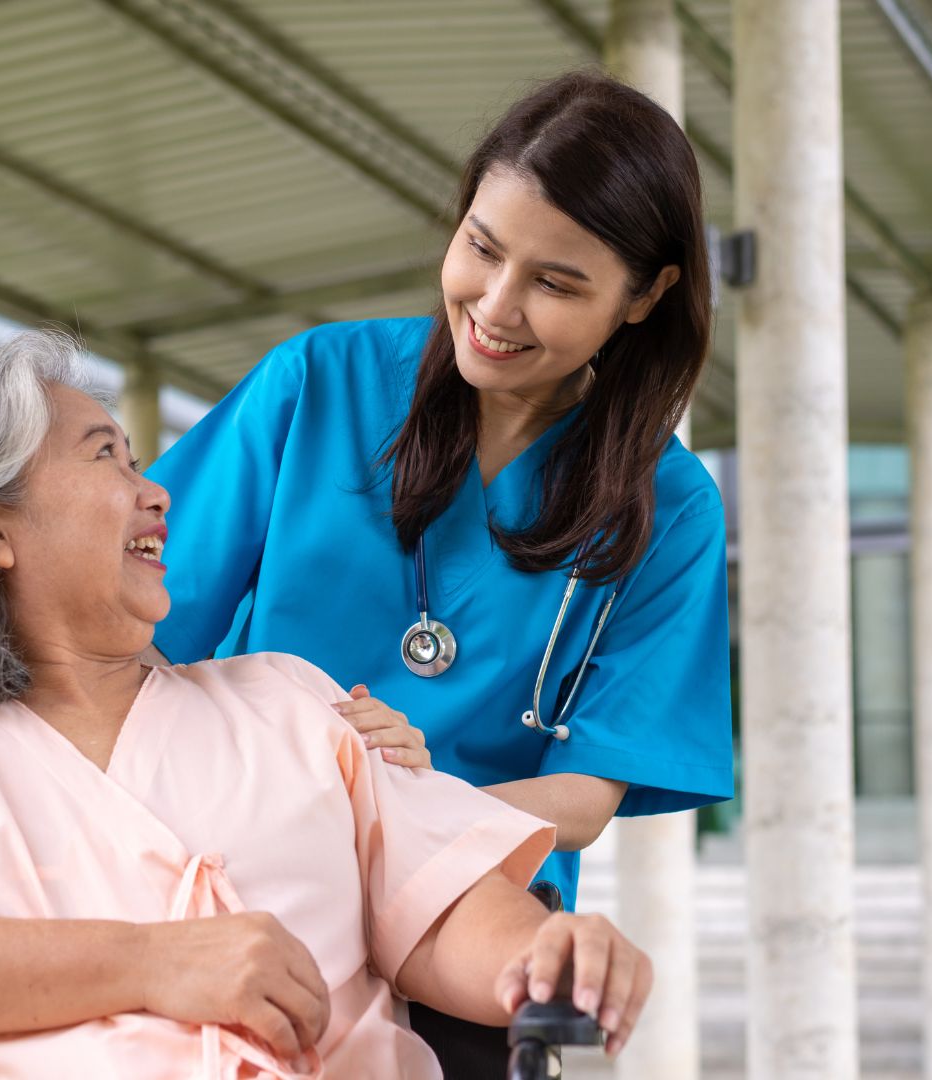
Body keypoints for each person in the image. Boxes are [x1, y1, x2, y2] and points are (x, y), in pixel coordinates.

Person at [0, 332, 652, 1078]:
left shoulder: (292, 702)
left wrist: (552, 952)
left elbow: (443, 909)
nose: (158, 492)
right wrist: (154, 963)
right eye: (107, 460)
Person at [142, 70, 733, 1068]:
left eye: (556, 282)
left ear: (646, 297)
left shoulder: (671, 512)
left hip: (466, 920)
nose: (495, 308)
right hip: (236, 872)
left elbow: (581, 798)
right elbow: (134, 627)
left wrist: (377, 804)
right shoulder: (314, 387)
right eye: (482, 249)